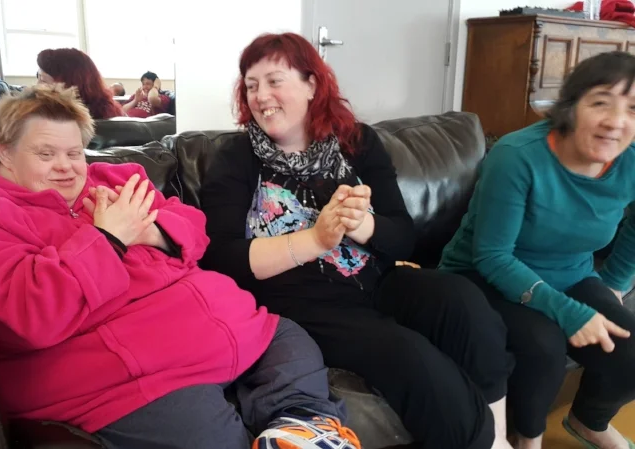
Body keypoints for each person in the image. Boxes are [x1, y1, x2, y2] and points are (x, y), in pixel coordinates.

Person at [0, 83, 361, 449]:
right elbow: (30, 314)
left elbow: (194, 227)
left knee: (289, 338)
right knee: (206, 434)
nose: (66, 168)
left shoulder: (112, 179)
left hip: (228, 333)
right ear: (4, 151)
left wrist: (150, 232)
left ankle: (303, 425)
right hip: (132, 382)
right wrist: (108, 238)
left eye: (75, 153)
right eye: (46, 155)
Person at [200, 32, 514, 449]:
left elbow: (403, 238)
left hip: (377, 281)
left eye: (274, 80)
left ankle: (499, 436)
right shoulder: (236, 158)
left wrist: (361, 224)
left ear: (312, 84)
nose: (260, 96)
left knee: (464, 304)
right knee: (411, 359)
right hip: (300, 302)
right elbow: (220, 259)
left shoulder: (358, 142)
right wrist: (315, 238)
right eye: (251, 85)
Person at [440, 51, 635, 449]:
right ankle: (527, 440)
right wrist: (569, 311)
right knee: (543, 347)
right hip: (483, 276)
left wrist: (614, 283)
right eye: (601, 102)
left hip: (571, 272)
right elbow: (492, 256)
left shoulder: (631, 159)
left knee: (629, 348)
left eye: (632, 109)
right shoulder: (517, 156)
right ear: (570, 106)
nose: (616, 121)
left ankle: (588, 421)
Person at [36, 48, 124, 120]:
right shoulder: (111, 110)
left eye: (42, 80)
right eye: (38, 77)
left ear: (69, 84)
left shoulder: (58, 121)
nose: (36, 85)